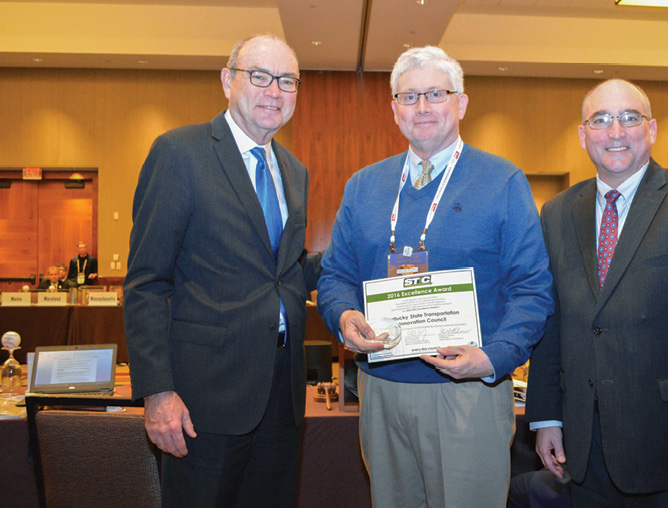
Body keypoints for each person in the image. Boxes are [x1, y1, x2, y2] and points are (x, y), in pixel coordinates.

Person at [317, 46, 554, 508]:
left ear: (461, 103)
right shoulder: (364, 185)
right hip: (381, 391)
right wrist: (343, 315)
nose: (421, 107)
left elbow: (532, 288)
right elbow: (335, 275)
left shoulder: (502, 180)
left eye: (435, 94)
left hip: (467, 393)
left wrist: (494, 358)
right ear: (393, 109)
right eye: (409, 97)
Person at [526, 79, 668, 507]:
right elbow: (552, 323)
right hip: (584, 451)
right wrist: (547, 417)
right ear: (582, 134)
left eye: (630, 118)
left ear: (652, 129)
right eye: (601, 120)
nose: (615, 132)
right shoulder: (556, 213)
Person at [124, 33, 320, 508]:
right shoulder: (180, 153)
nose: (275, 91)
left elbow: (283, 274)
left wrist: (360, 260)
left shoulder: (295, 171)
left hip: (280, 396)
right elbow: (147, 282)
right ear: (227, 80)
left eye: (287, 81)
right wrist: (157, 391)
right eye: (260, 76)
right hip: (201, 400)